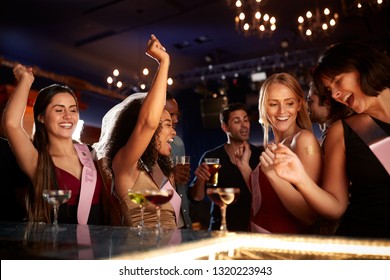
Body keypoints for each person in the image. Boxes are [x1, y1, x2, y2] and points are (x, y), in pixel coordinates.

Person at [273, 41, 390, 238]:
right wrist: (300, 179)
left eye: (337, 81)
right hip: (362, 250)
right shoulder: (342, 131)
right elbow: (335, 206)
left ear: (360, 65)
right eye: (329, 90)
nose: (335, 95)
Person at [2, 65, 116, 225]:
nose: (68, 116)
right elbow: (11, 124)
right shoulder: (37, 160)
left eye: (73, 110)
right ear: (41, 117)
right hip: (56, 246)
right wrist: (26, 81)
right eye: (59, 110)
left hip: (97, 246)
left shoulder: (91, 154)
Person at [93, 35, 179, 229]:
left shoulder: (162, 171)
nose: (173, 132)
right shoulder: (125, 165)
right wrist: (164, 61)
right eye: (166, 124)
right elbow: (147, 122)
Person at [236, 73, 323, 234]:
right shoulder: (276, 145)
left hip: (286, 250)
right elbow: (266, 196)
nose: (282, 111)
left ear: (299, 104)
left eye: (289, 103)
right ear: (263, 107)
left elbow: (308, 215)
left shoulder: (303, 140)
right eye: (274, 104)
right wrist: (244, 167)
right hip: (261, 244)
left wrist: (273, 175)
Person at [189, 102, 262, 231]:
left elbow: (265, 197)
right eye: (237, 121)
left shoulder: (260, 156)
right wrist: (200, 179)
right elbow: (197, 198)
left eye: (246, 120)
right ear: (225, 127)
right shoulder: (211, 157)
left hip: (252, 230)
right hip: (219, 230)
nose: (244, 125)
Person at [165, 91, 192, 229]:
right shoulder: (142, 146)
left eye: (177, 115)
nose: (176, 120)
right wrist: (170, 175)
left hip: (182, 222)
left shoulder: (178, 143)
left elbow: (183, 188)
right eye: (171, 115)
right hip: (161, 224)